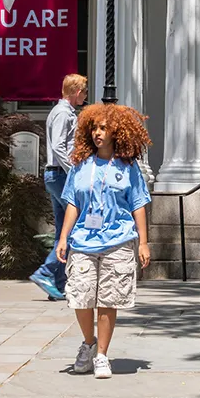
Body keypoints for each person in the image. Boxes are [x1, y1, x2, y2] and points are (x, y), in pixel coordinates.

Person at [56, 103, 152, 379]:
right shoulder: (81, 166)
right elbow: (73, 203)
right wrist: (63, 237)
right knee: (81, 297)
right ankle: (89, 343)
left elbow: (138, 204)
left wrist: (143, 242)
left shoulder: (128, 168)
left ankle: (102, 356)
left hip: (118, 240)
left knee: (109, 298)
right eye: (94, 128)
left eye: (103, 128)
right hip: (84, 240)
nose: (98, 133)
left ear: (116, 132)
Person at [30, 74, 87, 301]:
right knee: (74, 227)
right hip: (61, 175)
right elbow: (59, 146)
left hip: (56, 175)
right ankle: (45, 272)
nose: (85, 95)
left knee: (63, 231)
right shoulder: (63, 113)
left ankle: (57, 284)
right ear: (75, 91)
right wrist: (74, 170)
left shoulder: (62, 112)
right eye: (83, 91)